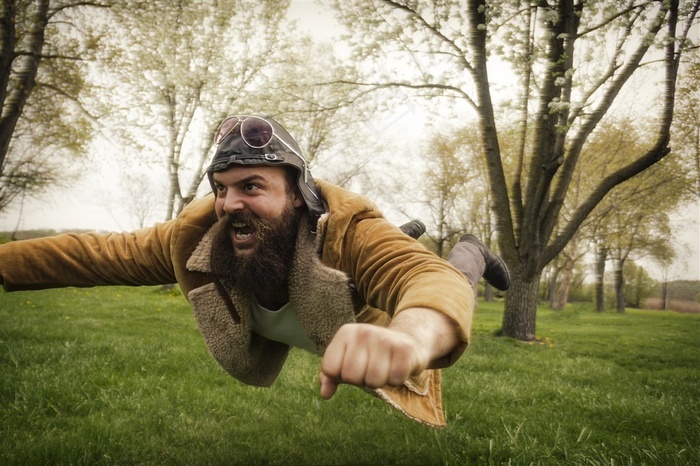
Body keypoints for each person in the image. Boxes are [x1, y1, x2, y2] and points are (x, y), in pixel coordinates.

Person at [0, 115, 509, 427]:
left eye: (252, 186)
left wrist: (412, 337)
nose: (229, 204)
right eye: (222, 188)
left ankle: (472, 250)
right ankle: (410, 228)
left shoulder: (350, 229)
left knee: (452, 272)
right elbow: (92, 254)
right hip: (324, 285)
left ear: (298, 195)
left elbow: (422, 277)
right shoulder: (199, 237)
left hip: (378, 298)